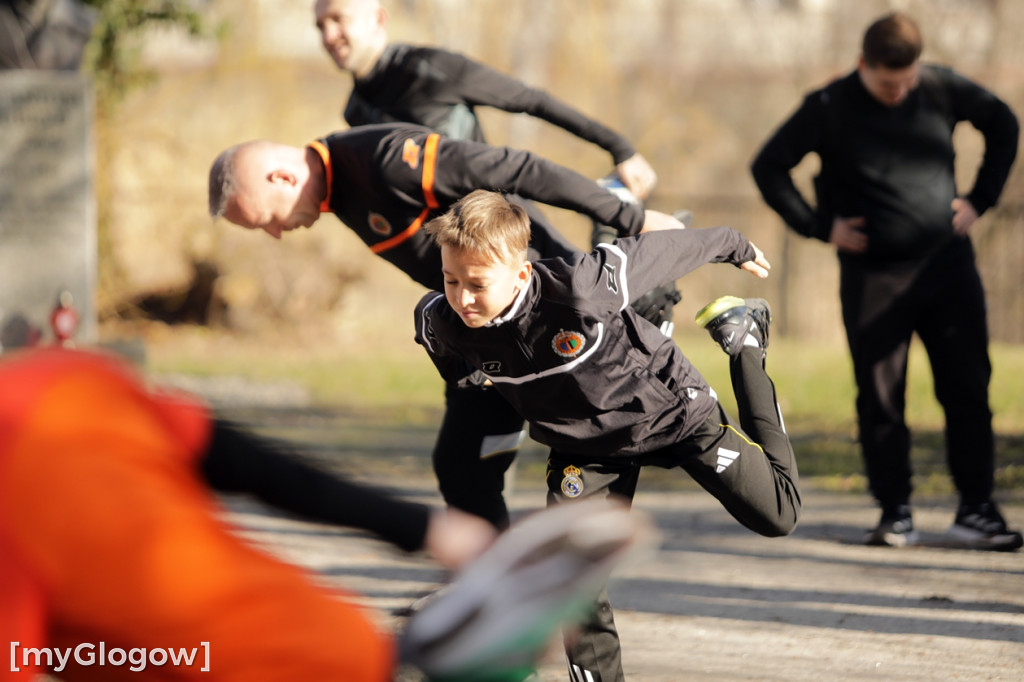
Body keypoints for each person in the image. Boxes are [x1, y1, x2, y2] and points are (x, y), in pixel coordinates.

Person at [0, 346, 651, 681]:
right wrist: (427, 529)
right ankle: (448, 644)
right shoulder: (61, 380)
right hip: (334, 636)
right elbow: (251, 465)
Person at [208, 123, 687, 532]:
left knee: (619, 449)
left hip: (545, 319)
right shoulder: (340, 188)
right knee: (463, 465)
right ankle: (493, 590)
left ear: (282, 177)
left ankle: (650, 297)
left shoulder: (382, 158)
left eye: (265, 220)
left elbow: (518, 168)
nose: (274, 233)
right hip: (483, 336)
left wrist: (629, 214)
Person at [413, 190, 801, 682]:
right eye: (451, 280)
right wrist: (479, 380)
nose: (463, 298)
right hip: (583, 446)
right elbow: (453, 361)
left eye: (477, 284)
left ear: (521, 274)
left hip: (670, 414)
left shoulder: (579, 288)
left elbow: (663, 250)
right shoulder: (441, 320)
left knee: (779, 515)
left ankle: (744, 341)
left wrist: (733, 243)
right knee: (573, 580)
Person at [750, 11, 1022, 551]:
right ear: (862, 65)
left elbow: (1004, 123)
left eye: (906, 81)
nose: (898, 92)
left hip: (948, 267)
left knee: (968, 388)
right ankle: (895, 511)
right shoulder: (829, 105)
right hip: (874, 277)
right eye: (886, 84)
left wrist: (981, 198)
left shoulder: (940, 87)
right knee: (880, 398)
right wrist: (820, 226)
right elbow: (769, 166)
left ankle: (977, 510)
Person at [312, 0, 657, 200]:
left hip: (508, 227)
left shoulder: (431, 68)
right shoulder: (355, 112)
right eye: (320, 26)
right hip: (452, 264)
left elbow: (531, 101)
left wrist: (621, 149)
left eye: (338, 19)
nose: (328, 36)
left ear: (378, 18)